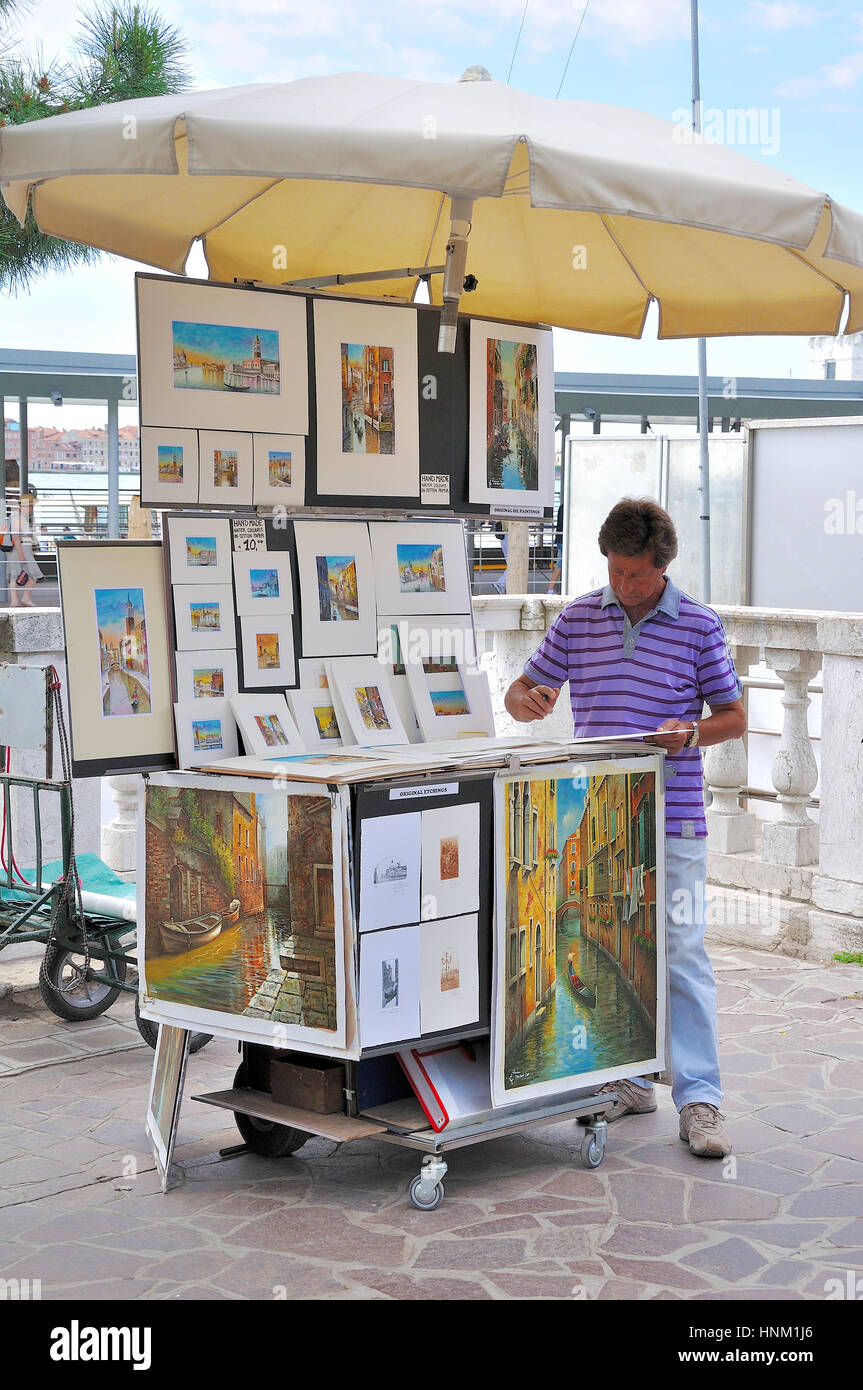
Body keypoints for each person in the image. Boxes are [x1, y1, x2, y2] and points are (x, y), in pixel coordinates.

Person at [504, 497, 745, 1159]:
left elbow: (733, 716)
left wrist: (691, 732)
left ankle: (699, 1102)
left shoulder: (698, 625)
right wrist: (525, 699)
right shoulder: (579, 617)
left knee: (682, 955)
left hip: (674, 818)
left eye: (634, 575)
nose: (622, 585)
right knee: (605, 942)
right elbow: (520, 690)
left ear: (660, 566)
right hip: (593, 818)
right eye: (613, 571)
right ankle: (628, 1080)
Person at [8, 490, 41, 608]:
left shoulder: (18, 516)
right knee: (33, 574)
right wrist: (22, 555)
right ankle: (23, 598)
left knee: (15, 575)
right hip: (20, 550)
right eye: (30, 506)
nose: (32, 509)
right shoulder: (18, 517)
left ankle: (16, 600)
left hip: (21, 550)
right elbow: (16, 537)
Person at [547, 498, 564, 593]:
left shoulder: (562, 507)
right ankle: (550, 589)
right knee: (559, 566)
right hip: (564, 540)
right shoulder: (568, 507)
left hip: (559, 539)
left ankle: (551, 589)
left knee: (559, 565)